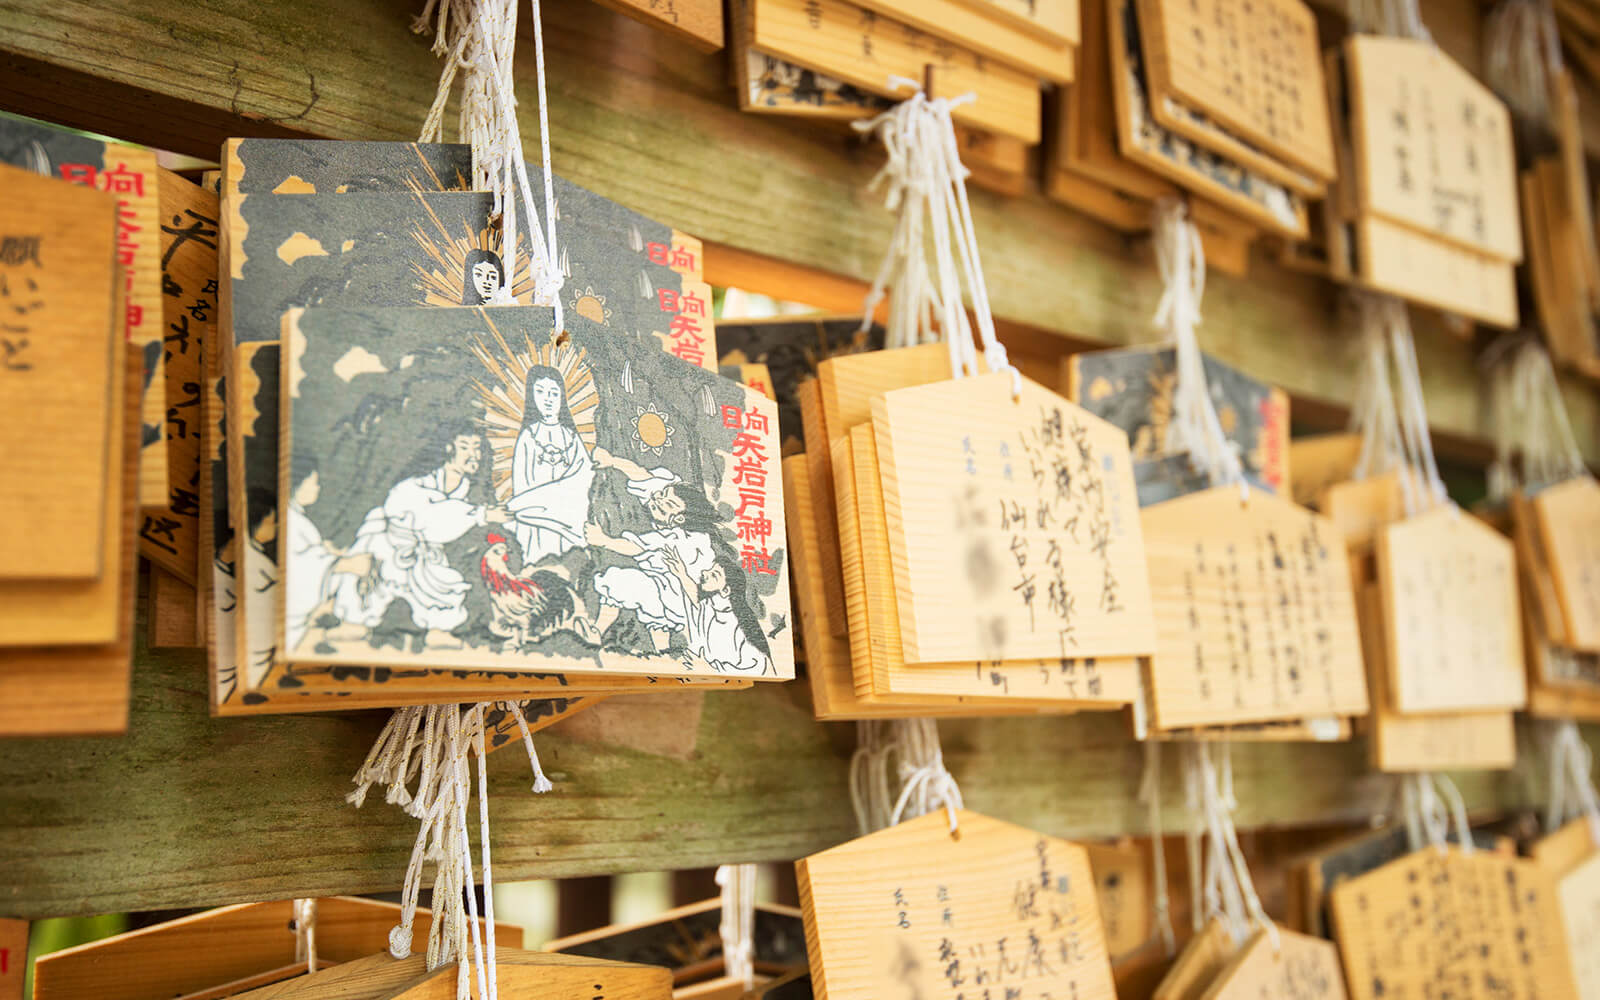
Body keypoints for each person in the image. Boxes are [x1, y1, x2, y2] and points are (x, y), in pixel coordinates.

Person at [330, 420, 509, 649]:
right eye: (465, 446)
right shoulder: (419, 480)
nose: (472, 454)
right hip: (389, 544)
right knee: (368, 589)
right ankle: (354, 625)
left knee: (445, 590)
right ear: (448, 448)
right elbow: (422, 512)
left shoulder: (469, 489)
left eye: (477, 448)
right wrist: (479, 515)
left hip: (426, 553)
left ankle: (437, 633)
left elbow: (445, 525)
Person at [587, 447, 716, 653]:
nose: (657, 500)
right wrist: (612, 460)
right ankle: (595, 632)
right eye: (662, 494)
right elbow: (643, 476)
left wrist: (604, 541)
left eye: (668, 503)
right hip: (661, 582)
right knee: (654, 614)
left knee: (624, 584)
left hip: (679, 594)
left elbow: (636, 547)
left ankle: (664, 652)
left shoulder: (681, 538)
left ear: (679, 518)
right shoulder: (665, 503)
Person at [283, 455, 376, 652]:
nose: (317, 488)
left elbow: (308, 553)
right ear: (298, 484)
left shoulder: (297, 518)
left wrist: (330, 554)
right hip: (288, 618)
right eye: (314, 482)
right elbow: (297, 563)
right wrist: (343, 564)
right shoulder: (290, 520)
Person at [507, 365, 593, 564]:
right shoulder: (528, 437)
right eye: (540, 392)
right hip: (537, 521)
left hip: (568, 522)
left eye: (554, 393)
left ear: (562, 398)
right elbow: (521, 487)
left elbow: (586, 478)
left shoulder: (571, 437)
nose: (547, 399)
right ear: (531, 396)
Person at [662, 548, 772, 674]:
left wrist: (707, 668)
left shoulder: (740, 625)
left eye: (714, 575)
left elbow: (758, 666)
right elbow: (695, 598)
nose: (704, 572)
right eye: (710, 570)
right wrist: (682, 574)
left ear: (725, 591)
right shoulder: (712, 607)